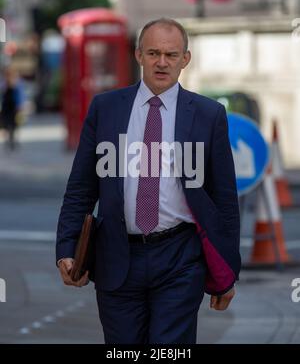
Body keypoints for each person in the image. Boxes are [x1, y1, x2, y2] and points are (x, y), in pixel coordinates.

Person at [56, 18, 241, 344]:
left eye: (171, 55)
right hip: (116, 255)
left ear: (186, 59)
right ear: (138, 54)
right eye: (153, 53)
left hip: (180, 258)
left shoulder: (208, 114)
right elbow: (81, 187)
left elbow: (223, 198)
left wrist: (227, 272)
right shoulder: (106, 108)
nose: (162, 62)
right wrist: (67, 248)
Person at [0, 67, 25, 151]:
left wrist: (20, 105)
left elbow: (21, 95)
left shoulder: (18, 83)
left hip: (13, 107)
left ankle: (12, 139)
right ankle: (9, 138)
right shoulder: (3, 83)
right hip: (6, 107)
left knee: (14, 124)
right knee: (6, 124)